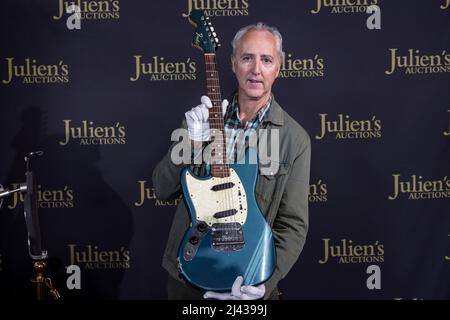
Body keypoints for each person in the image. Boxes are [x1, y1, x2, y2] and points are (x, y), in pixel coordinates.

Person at [152, 22, 311, 300]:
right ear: (233, 63)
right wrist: (190, 142)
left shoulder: (294, 139)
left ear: (278, 69)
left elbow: (293, 226)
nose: (256, 69)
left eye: (266, 60)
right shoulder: (201, 120)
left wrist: (264, 282)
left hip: (248, 282)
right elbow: (162, 188)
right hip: (189, 276)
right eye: (247, 58)